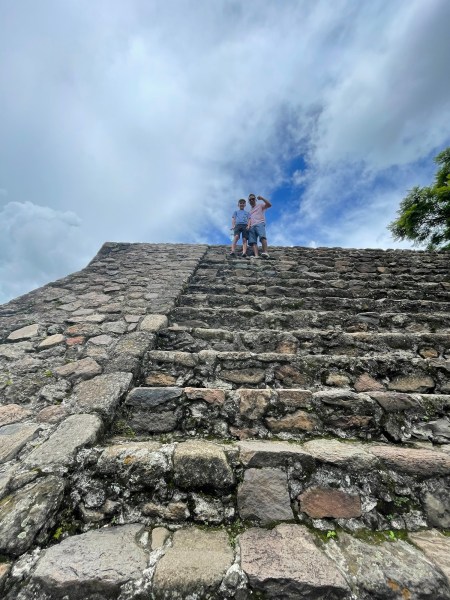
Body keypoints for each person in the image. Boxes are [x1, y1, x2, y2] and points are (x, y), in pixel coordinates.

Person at [247, 193, 272, 258]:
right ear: (249, 201)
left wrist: (262, 198)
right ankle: (256, 255)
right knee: (253, 241)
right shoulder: (249, 212)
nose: (251, 200)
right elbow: (249, 219)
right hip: (252, 226)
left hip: (260, 223)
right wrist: (248, 226)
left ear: (255, 199)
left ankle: (265, 252)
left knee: (262, 237)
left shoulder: (260, 205)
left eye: (253, 199)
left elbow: (269, 205)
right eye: (250, 199)